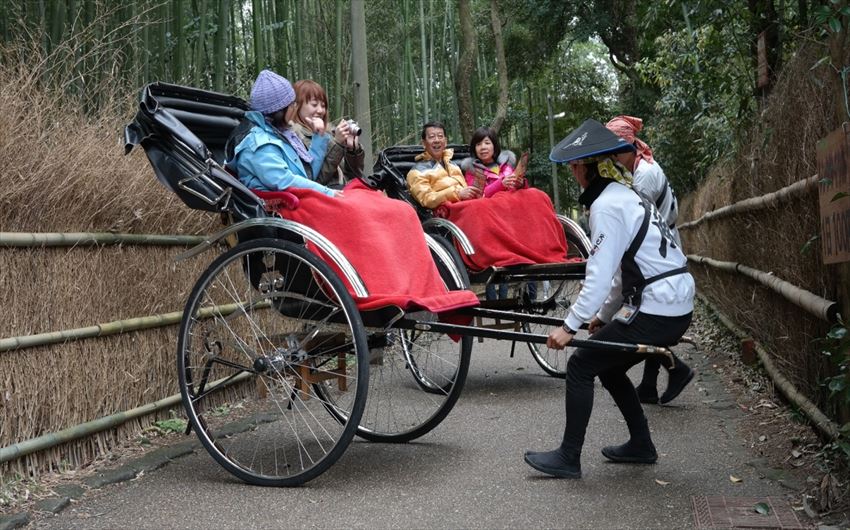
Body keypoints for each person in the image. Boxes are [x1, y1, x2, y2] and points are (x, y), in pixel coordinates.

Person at [524, 119, 695, 479]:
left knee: (582, 364)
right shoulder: (625, 194)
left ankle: (568, 457)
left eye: (573, 167)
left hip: (659, 306)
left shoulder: (607, 206)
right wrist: (603, 315)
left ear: (586, 168)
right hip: (673, 302)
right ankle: (641, 445)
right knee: (609, 365)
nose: (572, 173)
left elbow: (600, 276)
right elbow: (620, 273)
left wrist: (569, 326)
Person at [606, 115, 684, 404]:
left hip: (660, 252)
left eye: (611, 152)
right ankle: (652, 383)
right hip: (663, 248)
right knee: (653, 308)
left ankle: (674, 368)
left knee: (646, 309)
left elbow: (639, 223)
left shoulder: (644, 176)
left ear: (622, 149)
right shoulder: (637, 168)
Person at [224, 70, 341, 197]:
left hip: (297, 198)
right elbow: (285, 181)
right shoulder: (258, 144)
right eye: (292, 104)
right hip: (280, 207)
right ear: (279, 111)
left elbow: (307, 174)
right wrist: (328, 193)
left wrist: (319, 136)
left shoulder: (281, 133)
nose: (295, 108)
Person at [460, 126, 526, 300]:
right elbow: (478, 195)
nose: (483, 147)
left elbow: (515, 186)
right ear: (474, 148)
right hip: (488, 219)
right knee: (495, 262)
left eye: (487, 143)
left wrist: (518, 182)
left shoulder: (505, 166)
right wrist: (500, 184)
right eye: (479, 144)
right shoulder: (472, 170)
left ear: (494, 146)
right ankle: (495, 299)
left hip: (510, 214)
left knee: (536, 195)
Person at [289, 79, 364, 187]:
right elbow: (314, 181)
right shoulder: (295, 138)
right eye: (314, 105)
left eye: (323, 106)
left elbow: (353, 176)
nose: (320, 111)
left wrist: (352, 151)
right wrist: (337, 144)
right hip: (324, 198)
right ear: (297, 106)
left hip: (345, 192)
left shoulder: (329, 134)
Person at [406, 121, 482, 209]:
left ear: (445, 142)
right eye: (432, 137)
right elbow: (427, 199)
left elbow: (464, 189)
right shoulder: (416, 172)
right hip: (446, 211)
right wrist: (457, 193)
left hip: (466, 205)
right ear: (423, 143)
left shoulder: (453, 166)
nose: (437, 140)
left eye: (440, 136)